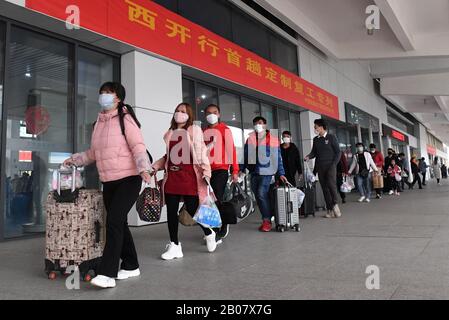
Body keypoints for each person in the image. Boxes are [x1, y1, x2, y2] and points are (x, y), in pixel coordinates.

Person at [64, 82, 152, 289]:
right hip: (109, 180)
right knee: (118, 222)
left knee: (113, 221)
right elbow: (93, 153)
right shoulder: (99, 123)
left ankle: (107, 272)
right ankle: (131, 265)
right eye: (102, 92)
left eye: (109, 93)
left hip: (129, 178)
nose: (104, 96)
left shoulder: (125, 119)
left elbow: (138, 146)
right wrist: (75, 160)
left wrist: (144, 169)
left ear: (118, 98)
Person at [152, 103, 216, 260]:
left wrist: (207, 173)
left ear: (189, 115)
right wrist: (155, 167)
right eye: (177, 111)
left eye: (183, 111)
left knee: (194, 210)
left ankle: (209, 233)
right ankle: (174, 245)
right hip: (172, 178)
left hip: (189, 177)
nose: (179, 114)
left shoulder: (194, 130)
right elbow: (168, 157)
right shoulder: (170, 133)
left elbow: (201, 153)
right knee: (171, 212)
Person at [241, 116, 287, 232]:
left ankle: (266, 220)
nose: (258, 125)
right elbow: (245, 156)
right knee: (258, 196)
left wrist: (281, 173)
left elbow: (277, 157)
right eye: (255, 123)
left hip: (267, 171)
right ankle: (269, 214)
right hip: (253, 172)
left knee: (261, 194)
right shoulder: (250, 138)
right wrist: (241, 169)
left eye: (260, 123)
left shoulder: (272, 138)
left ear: (265, 125)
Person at [203, 104, 240, 240]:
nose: (211, 115)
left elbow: (232, 150)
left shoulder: (225, 130)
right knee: (208, 200)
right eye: (208, 112)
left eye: (214, 112)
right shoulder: (203, 132)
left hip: (221, 169)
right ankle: (213, 228)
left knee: (216, 198)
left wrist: (235, 170)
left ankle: (220, 227)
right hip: (206, 171)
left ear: (219, 114)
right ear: (205, 115)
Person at [304, 119, 342, 218]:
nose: (314, 129)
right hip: (320, 167)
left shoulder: (331, 137)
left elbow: (338, 152)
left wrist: (334, 164)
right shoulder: (316, 139)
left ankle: (335, 204)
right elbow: (314, 152)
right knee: (324, 188)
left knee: (331, 185)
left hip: (331, 166)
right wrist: (308, 156)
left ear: (321, 127)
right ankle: (329, 210)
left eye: (315, 127)